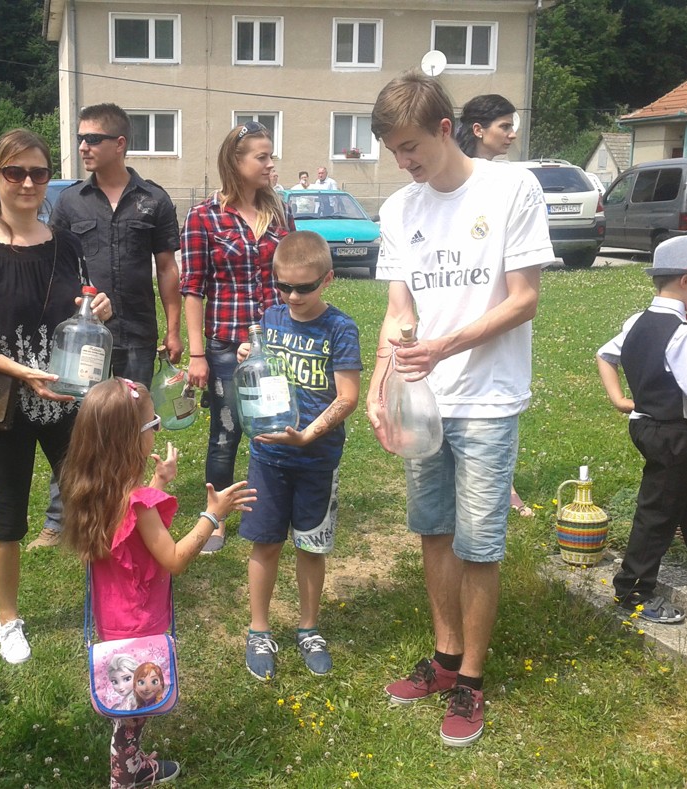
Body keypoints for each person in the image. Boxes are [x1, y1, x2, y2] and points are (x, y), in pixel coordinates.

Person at [365, 72, 553, 747]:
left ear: (445, 129)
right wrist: (380, 387)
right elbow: (399, 311)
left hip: (487, 399)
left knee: (479, 543)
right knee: (433, 530)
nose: (403, 163)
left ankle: (471, 678)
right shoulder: (399, 209)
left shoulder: (511, 190)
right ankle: (445, 658)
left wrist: (444, 346)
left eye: (410, 147)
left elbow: (524, 298)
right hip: (424, 401)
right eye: (393, 151)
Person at [0, 129, 112, 665]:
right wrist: (21, 372)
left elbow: (83, 308)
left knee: (91, 501)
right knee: (7, 515)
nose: (27, 183)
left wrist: (99, 310)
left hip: (68, 398)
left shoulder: (67, 245)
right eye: (15, 172)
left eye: (39, 173)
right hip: (4, 403)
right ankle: (8, 619)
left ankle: (107, 603)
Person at [60, 377, 256, 787]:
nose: (158, 430)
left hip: (113, 620)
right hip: (141, 623)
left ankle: (130, 762)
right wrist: (213, 516)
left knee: (128, 703)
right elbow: (174, 559)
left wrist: (159, 483)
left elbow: (129, 529)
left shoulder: (93, 490)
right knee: (134, 710)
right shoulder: (138, 505)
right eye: (153, 424)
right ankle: (126, 776)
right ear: (129, 439)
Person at [38, 104, 183, 551]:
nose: (83, 146)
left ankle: (130, 508)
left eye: (93, 139)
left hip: (137, 332)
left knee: (134, 424)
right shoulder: (70, 202)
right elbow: (57, 266)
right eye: (81, 138)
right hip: (85, 338)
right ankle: (59, 517)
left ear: (119, 144)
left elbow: (167, 268)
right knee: (78, 424)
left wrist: (173, 329)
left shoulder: (153, 200)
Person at [237, 231, 361, 682]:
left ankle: (309, 628)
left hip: (316, 459)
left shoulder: (340, 328)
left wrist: (307, 435)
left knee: (311, 546)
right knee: (265, 542)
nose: (292, 296)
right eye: (282, 285)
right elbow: (259, 373)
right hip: (268, 456)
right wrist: (247, 354)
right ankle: (259, 630)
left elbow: (347, 396)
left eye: (303, 287)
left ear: (327, 279)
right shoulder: (270, 319)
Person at [181, 121, 293, 554]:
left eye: (270, 156)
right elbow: (193, 288)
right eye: (261, 157)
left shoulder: (279, 211)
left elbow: (292, 272)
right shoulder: (204, 217)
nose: (270, 164)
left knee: (276, 425)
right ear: (235, 160)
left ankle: (275, 510)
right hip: (227, 345)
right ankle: (216, 519)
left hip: (276, 342)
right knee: (226, 433)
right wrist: (197, 354)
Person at [596, 235, 687, 625]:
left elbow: (605, 354)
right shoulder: (681, 334)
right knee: (658, 511)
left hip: (646, 425)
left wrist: (620, 399)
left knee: (681, 494)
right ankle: (633, 589)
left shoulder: (638, 321)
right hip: (674, 433)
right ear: (686, 280)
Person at [457, 93, 533, 518]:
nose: (512, 134)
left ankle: (502, 484)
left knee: (494, 402)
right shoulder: (456, 183)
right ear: (478, 130)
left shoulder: (511, 184)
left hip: (501, 312)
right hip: (462, 314)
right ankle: (494, 486)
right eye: (505, 126)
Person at [456, 94, 518, 160]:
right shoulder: (456, 165)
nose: (513, 135)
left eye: (511, 127)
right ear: (478, 130)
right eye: (505, 127)